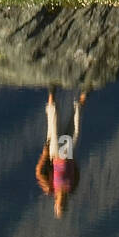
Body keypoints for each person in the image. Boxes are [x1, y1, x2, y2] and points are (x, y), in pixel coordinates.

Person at [35, 89, 86, 218]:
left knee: (54, 121)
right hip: (67, 154)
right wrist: (73, 162)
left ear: (55, 204)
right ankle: (85, 92)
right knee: (75, 125)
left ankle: (52, 89)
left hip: (56, 153)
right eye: (64, 206)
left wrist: (45, 154)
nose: (62, 204)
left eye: (60, 206)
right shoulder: (72, 188)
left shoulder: (50, 188)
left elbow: (39, 172)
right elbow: (78, 174)